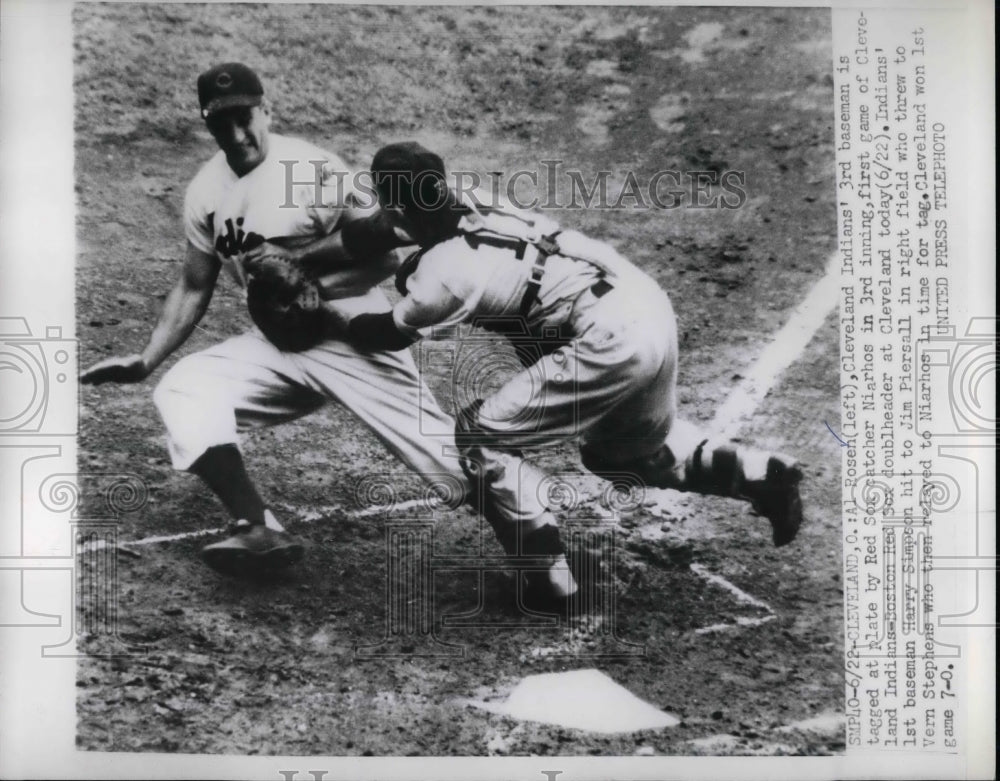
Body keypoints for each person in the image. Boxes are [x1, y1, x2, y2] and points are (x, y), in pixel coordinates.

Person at [80, 64, 481, 578]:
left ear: (266, 110)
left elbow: (384, 255)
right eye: (221, 125)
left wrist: (312, 294)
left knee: (445, 462)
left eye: (245, 119)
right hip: (277, 342)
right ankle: (257, 529)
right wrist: (147, 359)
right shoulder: (206, 193)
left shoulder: (313, 168)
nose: (237, 134)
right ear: (208, 126)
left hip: (353, 331)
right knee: (183, 389)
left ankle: (542, 536)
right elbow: (194, 284)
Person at [338, 142, 805, 567]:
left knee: (481, 435)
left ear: (394, 204)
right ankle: (762, 473)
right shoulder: (469, 192)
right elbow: (388, 227)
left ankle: (547, 580)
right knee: (618, 456)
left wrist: (325, 311)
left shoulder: (443, 278)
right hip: (645, 306)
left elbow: (384, 333)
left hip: (609, 340)